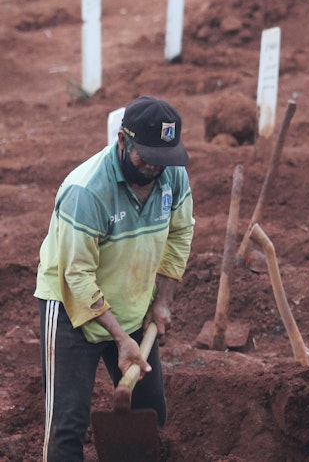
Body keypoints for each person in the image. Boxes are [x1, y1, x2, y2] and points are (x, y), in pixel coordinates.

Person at [35, 95, 195, 461]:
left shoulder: (173, 175)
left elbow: (180, 234)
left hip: (133, 303)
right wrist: (121, 339)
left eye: (165, 158)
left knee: (150, 411)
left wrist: (163, 300)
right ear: (123, 140)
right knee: (67, 426)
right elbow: (76, 276)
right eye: (147, 156)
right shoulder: (86, 191)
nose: (156, 168)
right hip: (70, 310)